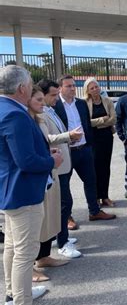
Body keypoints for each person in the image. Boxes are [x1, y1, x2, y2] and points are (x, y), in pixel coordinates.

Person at [0, 65, 63, 305]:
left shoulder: (5, 108)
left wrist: (44, 153)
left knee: (13, 248)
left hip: (10, 189)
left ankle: (13, 295)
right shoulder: (15, 113)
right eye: (29, 84)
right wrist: (51, 161)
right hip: (22, 193)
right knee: (25, 255)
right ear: (22, 88)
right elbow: (25, 161)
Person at [53, 75, 116, 231]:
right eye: (68, 86)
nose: (73, 88)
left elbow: (87, 125)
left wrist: (89, 144)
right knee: (64, 185)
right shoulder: (55, 106)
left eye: (74, 85)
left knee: (91, 181)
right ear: (60, 88)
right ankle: (67, 217)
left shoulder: (80, 104)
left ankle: (94, 211)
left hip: (84, 149)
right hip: (66, 151)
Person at [27, 86, 70, 282]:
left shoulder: (40, 117)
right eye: (38, 100)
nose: (42, 103)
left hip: (50, 173)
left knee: (49, 218)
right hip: (38, 176)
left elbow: (45, 141)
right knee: (35, 225)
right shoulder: (24, 121)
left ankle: (44, 256)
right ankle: (31, 267)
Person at [37, 79, 82, 259]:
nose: (57, 98)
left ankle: (62, 237)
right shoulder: (41, 114)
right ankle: (62, 243)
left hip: (63, 164)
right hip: (56, 166)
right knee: (63, 205)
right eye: (53, 95)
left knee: (64, 204)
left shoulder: (51, 110)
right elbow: (48, 137)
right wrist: (68, 136)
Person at [83, 78, 116, 207]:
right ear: (88, 91)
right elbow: (86, 122)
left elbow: (113, 119)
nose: (95, 89)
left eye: (96, 87)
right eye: (92, 88)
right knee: (94, 167)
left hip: (107, 138)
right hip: (93, 139)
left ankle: (105, 196)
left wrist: (95, 123)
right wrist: (102, 120)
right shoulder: (84, 103)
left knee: (105, 167)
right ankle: (95, 197)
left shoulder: (107, 101)